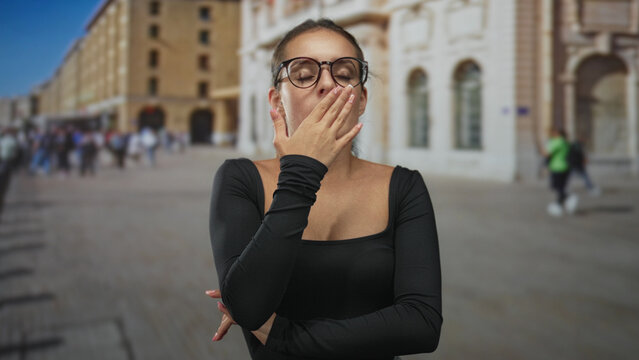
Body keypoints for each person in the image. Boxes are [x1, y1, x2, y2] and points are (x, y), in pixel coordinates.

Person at [207, 19, 442, 359]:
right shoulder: (240, 179)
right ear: (277, 101)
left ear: (360, 99)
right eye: (303, 75)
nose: (328, 83)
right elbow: (247, 305)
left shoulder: (404, 187)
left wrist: (282, 337)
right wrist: (301, 173)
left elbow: (422, 325)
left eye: (345, 74)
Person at [543, 127, 578, 216]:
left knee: (557, 187)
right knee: (560, 187)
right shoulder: (565, 142)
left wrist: (543, 149)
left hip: (557, 167)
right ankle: (559, 204)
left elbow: (547, 153)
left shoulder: (557, 141)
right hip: (565, 167)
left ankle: (568, 198)